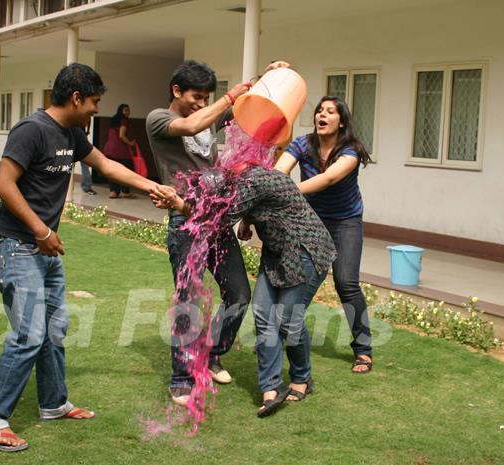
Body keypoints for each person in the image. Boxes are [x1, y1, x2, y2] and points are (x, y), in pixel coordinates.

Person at [0, 63, 165, 453]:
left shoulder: (73, 134)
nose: (97, 109)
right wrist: (41, 231)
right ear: (76, 98)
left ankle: (54, 403)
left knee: (53, 332)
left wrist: (152, 185)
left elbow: (106, 165)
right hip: (17, 248)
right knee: (28, 335)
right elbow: (3, 183)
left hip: (45, 252)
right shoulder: (32, 130)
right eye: (95, 102)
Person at [146, 59, 283, 406]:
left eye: (207, 97)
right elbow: (193, 124)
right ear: (176, 91)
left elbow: (245, 106)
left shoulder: (208, 114)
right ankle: (180, 377)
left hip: (218, 220)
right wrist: (228, 99)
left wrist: (267, 77)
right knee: (188, 300)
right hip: (186, 222)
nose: (201, 104)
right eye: (196, 96)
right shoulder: (159, 119)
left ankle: (212, 353)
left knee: (238, 294)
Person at [155, 158, 336, 417]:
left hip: (306, 252)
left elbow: (218, 218)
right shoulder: (251, 181)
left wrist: (180, 204)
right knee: (263, 314)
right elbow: (257, 207)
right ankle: (270, 389)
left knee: (286, 320)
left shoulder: (254, 181)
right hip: (276, 255)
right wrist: (248, 222)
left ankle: (302, 377)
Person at [274, 96, 374, 374]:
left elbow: (329, 178)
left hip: (345, 223)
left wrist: (287, 191)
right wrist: (273, 184)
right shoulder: (302, 144)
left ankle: (363, 349)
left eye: (331, 112)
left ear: (341, 121)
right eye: (320, 110)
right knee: (299, 280)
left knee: (346, 283)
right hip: (311, 221)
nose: (323, 115)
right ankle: (286, 331)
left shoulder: (350, 151)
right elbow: (280, 171)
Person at [103, 104, 136, 198]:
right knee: (125, 170)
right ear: (121, 111)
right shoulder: (124, 121)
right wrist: (130, 143)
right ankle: (125, 191)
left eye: (128, 110)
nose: (128, 112)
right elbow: (121, 136)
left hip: (109, 149)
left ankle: (113, 192)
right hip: (120, 150)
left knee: (113, 170)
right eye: (126, 110)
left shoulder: (114, 119)